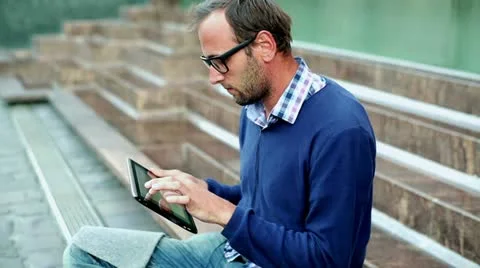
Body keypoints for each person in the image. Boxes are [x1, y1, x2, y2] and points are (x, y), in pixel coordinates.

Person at [63, 0, 376, 267]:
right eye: (207, 62)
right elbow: (266, 197)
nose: (213, 78)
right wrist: (202, 191)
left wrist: (223, 213)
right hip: (232, 252)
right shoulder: (255, 108)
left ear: (264, 46)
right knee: (85, 249)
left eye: (220, 61)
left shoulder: (340, 129)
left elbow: (328, 259)